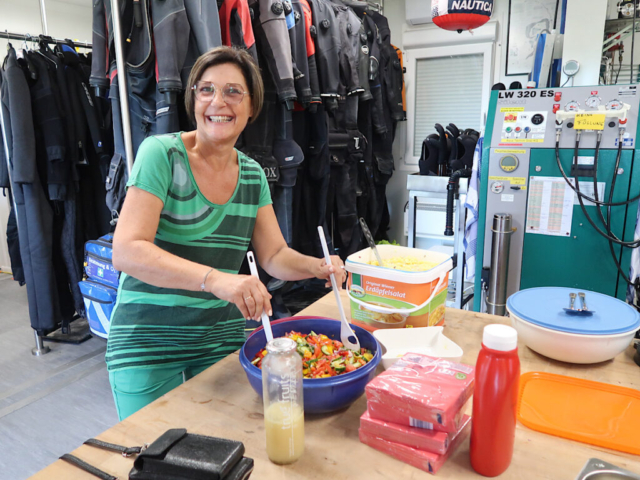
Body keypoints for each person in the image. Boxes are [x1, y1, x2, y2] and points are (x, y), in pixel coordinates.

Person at [106, 46, 346, 420]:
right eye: (206, 90)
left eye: (233, 91)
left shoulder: (252, 175)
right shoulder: (161, 155)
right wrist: (216, 280)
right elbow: (127, 251)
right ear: (193, 100)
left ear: (252, 107)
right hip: (147, 341)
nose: (218, 101)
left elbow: (273, 255)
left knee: (222, 444)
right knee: (155, 448)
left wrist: (316, 266)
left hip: (218, 340)